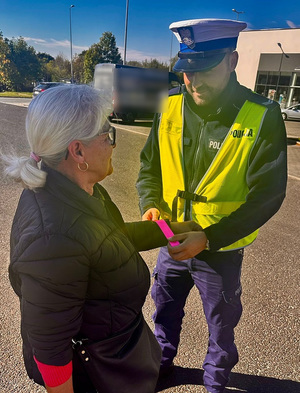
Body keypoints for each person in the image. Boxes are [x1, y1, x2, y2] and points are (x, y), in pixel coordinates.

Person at [3, 84, 200, 393]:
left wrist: (173, 229)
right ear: (78, 150)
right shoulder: (54, 238)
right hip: (95, 374)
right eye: (108, 135)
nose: (113, 144)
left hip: (116, 349)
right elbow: (50, 346)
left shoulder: (81, 191)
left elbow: (114, 239)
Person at [136, 19, 287, 393]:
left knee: (221, 323)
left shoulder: (261, 115)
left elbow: (267, 195)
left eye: (205, 70)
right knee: (164, 310)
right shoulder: (169, 104)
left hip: (220, 248)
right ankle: (162, 365)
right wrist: (151, 203)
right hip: (171, 239)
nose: (194, 81)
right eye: (187, 71)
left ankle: (215, 383)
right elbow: (148, 167)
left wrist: (210, 237)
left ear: (232, 60)